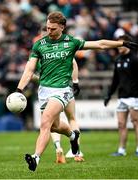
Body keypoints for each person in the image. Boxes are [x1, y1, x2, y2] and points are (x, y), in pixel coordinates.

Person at [16, 11, 138, 172]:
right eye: (47, 28)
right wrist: (19, 89)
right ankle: (73, 136)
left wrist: (121, 44)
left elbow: (99, 44)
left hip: (62, 90)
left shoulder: (71, 42)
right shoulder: (40, 44)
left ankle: (35, 158)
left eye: (53, 29)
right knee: (54, 126)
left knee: (45, 122)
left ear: (62, 27)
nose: (49, 32)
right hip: (44, 90)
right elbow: (29, 69)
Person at [33, 29, 84, 163]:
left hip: (61, 89)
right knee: (67, 119)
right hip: (63, 89)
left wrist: (74, 82)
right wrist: (76, 82)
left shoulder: (42, 51)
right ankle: (77, 151)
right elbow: (73, 64)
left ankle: (59, 148)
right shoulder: (53, 47)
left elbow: (39, 77)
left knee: (51, 121)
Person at [104, 34, 138, 157]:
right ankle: (121, 149)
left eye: (120, 44)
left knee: (136, 121)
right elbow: (115, 80)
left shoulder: (135, 59)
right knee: (121, 124)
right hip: (122, 96)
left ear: (127, 44)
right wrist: (109, 95)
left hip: (134, 96)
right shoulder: (118, 60)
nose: (118, 47)